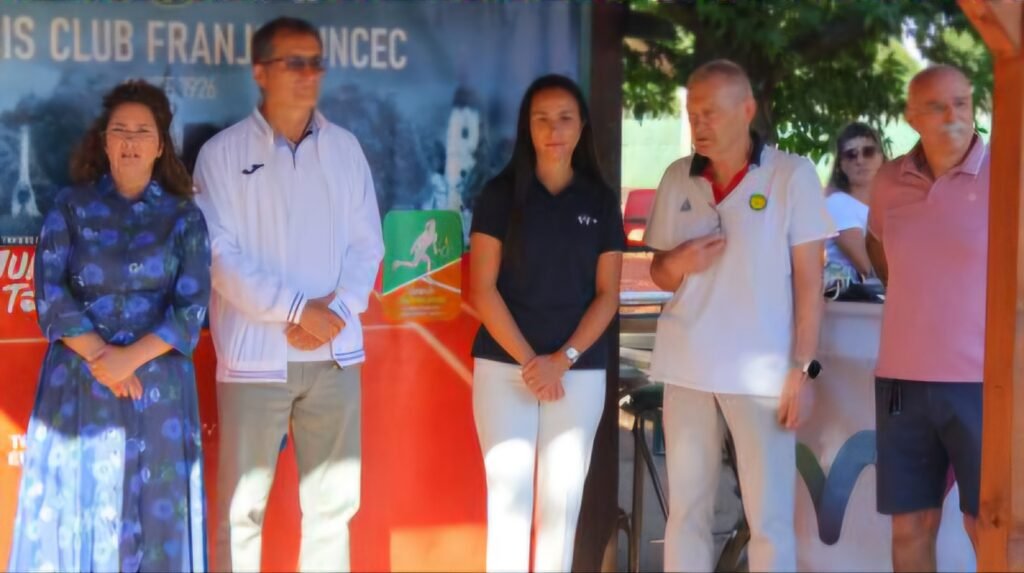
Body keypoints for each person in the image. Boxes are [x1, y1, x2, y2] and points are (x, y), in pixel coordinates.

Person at [193, 16, 384, 573]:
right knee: (241, 512)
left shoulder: (345, 148)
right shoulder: (222, 153)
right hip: (255, 360)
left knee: (333, 512)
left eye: (315, 62)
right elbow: (220, 258)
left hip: (335, 355)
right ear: (260, 72)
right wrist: (298, 310)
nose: (307, 74)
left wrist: (336, 312)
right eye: (293, 62)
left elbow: (367, 246)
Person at [8, 80, 211, 572]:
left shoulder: (184, 217)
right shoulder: (70, 206)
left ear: (160, 145)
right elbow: (51, 293)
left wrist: (128, 360)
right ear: (104, 141)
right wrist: (103, 358)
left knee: (154, 515)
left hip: (156, 389)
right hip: (81, 382)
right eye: (120, 130)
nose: (130, 141)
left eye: (143, 132)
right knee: (82, 512)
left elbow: (191, 309)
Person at [644, 59, 834, 572]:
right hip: (687, 366)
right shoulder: (677, 176)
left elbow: (810, 282)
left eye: (710, 111)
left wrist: (803, 369)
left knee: (769, 519)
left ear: (747, 110)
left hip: (762, 374)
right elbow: (659, 273)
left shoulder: (791, 174)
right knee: (686, 514)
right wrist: (678, 261)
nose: (698, 123)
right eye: (692, 112)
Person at [469, 73, 624, 572]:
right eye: (542, 119)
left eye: (564, 118)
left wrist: (562, 360)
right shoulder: (500, 194)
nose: (554, 130)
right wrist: (532, 363)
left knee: (561, 508)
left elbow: (608, 294)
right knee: (508, 504)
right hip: (505, 368)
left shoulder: (600, 201)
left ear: (582, 126)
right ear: (527, 127)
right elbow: (482, 289)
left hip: (577, 372)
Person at [866, 65, 987, 573]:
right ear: (911, 116)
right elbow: (878, 249)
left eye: (961, 102)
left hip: (986, 382)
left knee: (992, 528)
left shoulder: (1010, 174)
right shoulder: (888, 180)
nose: (952, 115)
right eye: (937, 106)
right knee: (910, 528)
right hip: (903, 382)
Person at [825, 122, 886, 285]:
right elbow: (869, 268)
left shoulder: (890, 204)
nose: (860, 160)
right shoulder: (837, 204)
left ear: (881, 156)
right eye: (851, 155)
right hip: (855, 298)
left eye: (868, 152)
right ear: (841, 164)